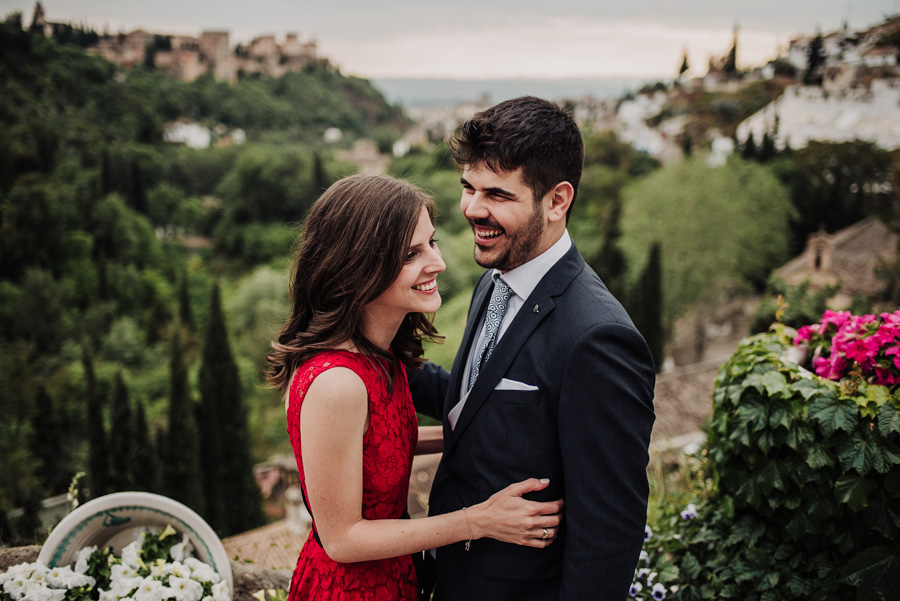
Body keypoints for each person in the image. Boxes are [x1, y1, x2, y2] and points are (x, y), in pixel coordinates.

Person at [266, 174, 564, 601]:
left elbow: (383, 443)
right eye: (411, 254)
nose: (437, 263)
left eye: (432, 242)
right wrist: (481, 519)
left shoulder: (380, 355)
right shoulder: (337, 384)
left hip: (398, 580)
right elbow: (343, 540)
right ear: (357, 268)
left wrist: (499, 438)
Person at [408, 96, 656, 600]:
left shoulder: (598, 338)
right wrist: (359, 349)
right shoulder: (496, 280)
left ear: (557, 201)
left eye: (497, 195)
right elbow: (475, 398)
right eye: (468, 188)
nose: (474, 209)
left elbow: (609, 533)